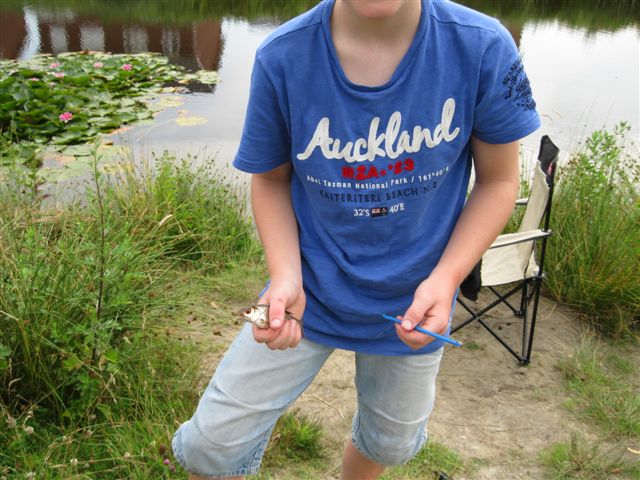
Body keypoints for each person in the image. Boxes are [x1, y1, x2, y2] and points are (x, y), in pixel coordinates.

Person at [172, 0, 540, 478]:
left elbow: (499, 181)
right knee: (209, 446)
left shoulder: (484, 46)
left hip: (416, 301)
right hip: (309, 292)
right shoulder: (281, 56)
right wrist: (285, 276)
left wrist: (447, 279)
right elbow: (271, 180)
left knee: (390, 443)